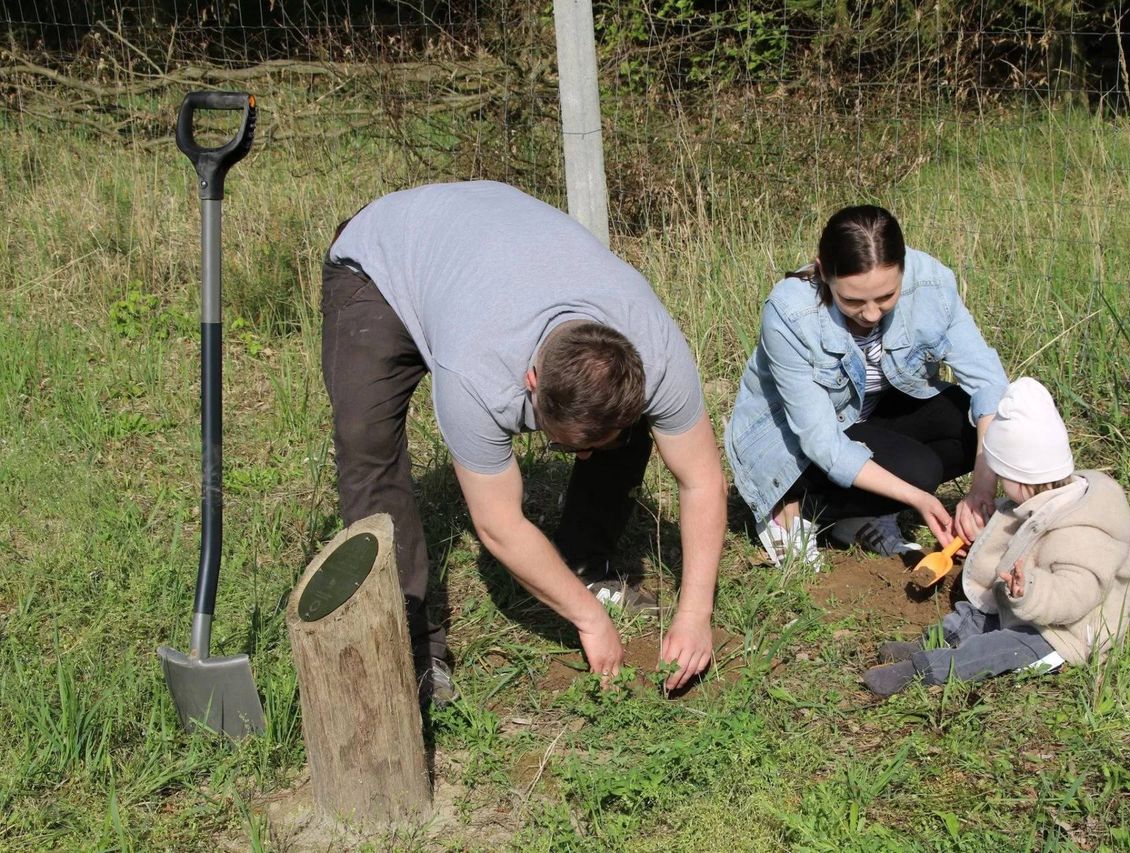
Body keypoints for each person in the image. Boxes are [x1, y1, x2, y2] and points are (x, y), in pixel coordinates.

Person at [321, 180, 726, 704]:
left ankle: (584, 563)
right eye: (569, 445)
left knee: (614, 433)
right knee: (367, 447)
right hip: (382, 263)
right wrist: (589, 620)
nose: (581, 458)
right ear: (531, 384)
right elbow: (499, 525)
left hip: (489, 245)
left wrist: (695, 614)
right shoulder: (477, 374)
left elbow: (702, 479)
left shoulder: (654, 347)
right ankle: (410, 646)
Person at [726, 205, 1008, 570]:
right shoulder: (790, 312)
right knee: (920, 473)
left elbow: (988, 384)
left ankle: (855, 515)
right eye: (853, 301)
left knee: (972, 428)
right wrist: (916, 498)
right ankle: (792, 509)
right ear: (823, 273)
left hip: (864, 414)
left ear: (903, 268)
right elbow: (821, 441)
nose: (872, 314)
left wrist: (982, 489)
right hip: (793, 445)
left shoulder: (931, 284)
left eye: (886, 297)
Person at [861, 378, 1130, 695]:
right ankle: (929, 644)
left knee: (999, 648)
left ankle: (923, 671)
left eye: (1001, 475)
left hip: (1067, 632)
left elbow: (1077, 594)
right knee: (978, 612)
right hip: (1026, 608)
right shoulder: (1032, 504)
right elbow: (1012, 542)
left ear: (1019, 478)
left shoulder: (1083, 529)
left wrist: (1028, 591)